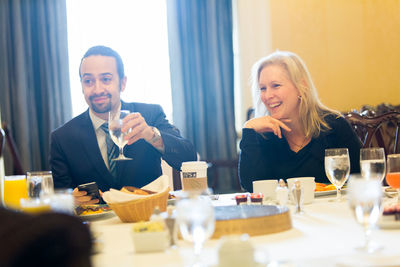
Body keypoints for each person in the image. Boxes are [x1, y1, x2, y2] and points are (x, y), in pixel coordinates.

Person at [50, 46, 196, 204]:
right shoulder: (62, 138)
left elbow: (188, 158)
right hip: (96, 226)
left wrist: (150, 134)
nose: (97, 89)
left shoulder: (150, 114)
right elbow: (59, 198)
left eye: (106, 79)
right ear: (81, 85)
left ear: (122, 83)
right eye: (88, 81)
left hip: (149, 219)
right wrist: (70, 201)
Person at [239, 51, 362, 192]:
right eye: (263, 88)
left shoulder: (334, 126)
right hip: (285, 213)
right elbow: (251, 187)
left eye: (276, 85)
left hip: (332, 211)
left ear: (300, 87)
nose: (267, 96)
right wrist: (248, 129)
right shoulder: (263, 134)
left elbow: (361, 178)